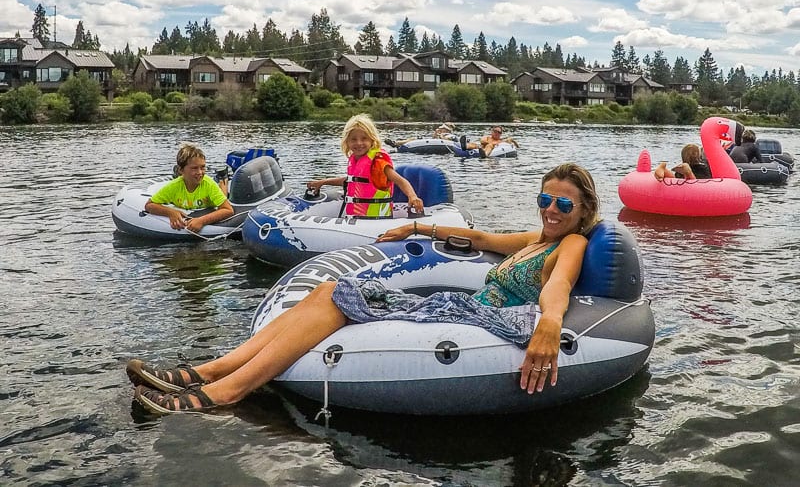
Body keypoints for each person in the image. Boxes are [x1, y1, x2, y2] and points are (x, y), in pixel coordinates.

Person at [127, 163, 600, 414]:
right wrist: (415, 229)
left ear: (582, 211)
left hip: (485, 319)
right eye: (545, 198)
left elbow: (557, 285)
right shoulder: (536, 239)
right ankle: (211, 369)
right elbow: (477, 239)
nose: (551, 209)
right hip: (463, 307)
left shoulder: (571, 242)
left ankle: (227, 391)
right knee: (328, 287)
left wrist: (551, 324)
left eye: (563, 202)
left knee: (337, 296)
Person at [305, 113, 424, 216]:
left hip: (376, 221)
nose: (359, 143)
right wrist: (323, 182)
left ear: (372, 140)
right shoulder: (355, 160)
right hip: (356, 217)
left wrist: (412, 196)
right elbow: (351, 181)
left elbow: (400, 181)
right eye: (353, 139)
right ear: (347, 142)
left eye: (364, 139)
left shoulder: (378, 162)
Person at [145, 143, 234, 232]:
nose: (200, 172)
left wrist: (201, 221)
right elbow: (149, 205)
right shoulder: (174, 186)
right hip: (184, 196)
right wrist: (171, 212)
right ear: (181, 170)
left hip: (209, 204)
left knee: (223, 195)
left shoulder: (208, 184)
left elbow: (228, 210)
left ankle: (223, 178)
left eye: (202, 167)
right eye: (194, 168)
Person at [385, 123, 457, 147]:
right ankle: (396, 143)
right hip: (432, 143)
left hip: (443, 144)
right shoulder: (440, 134)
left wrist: (441, 136)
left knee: (416, 139)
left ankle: (397, 143)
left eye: (443, 129)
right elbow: (434, 139)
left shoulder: (450, 136)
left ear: (447, 130)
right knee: (415, 138)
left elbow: (449, 142)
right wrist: (436, 134)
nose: (441, 130)